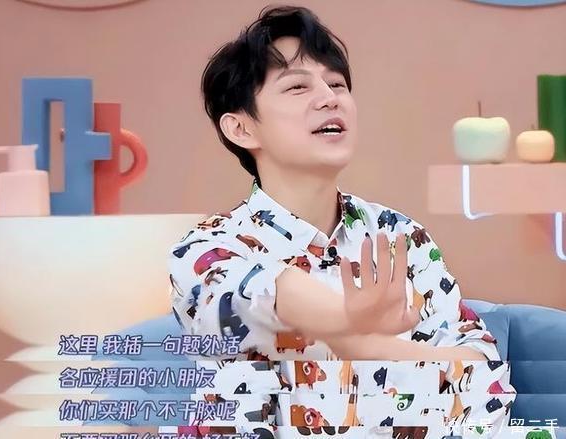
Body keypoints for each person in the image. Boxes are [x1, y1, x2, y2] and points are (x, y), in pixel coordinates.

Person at [166, 5, 546, 438]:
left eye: (337, 84)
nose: (330, 98)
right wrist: (351, 325)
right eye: (297, 87)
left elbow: (480, 373)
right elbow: (259, 296)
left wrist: (369, 348)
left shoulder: (401, 236)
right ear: (241, 129)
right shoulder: (207, 249)